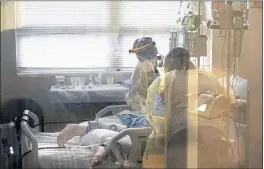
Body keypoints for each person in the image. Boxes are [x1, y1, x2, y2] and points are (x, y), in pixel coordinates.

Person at [90, 47, 229, 167]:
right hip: (217, 134)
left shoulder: (164, 80)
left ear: (168, 65)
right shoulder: (209, 77)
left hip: (183, 134)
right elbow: (224, 103)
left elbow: (155, 117)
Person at [57, 37, 162, 147]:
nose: (142, 63)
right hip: (147, 116)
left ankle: (86, 129)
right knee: (134, 126)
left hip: (154, 116)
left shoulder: (163, 70)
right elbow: (134, 95)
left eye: (143, 58)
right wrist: (141, 111)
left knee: (133, 127)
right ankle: (86, 130)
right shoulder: (142, 67)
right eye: (140, 59)